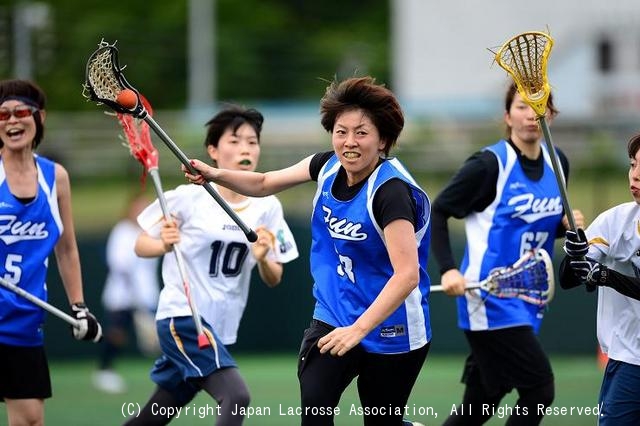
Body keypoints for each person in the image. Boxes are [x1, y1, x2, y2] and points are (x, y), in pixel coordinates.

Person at [185, 76, 432, 426]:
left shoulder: (390, 192)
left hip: (393, 323)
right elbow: (265, 182)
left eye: (361, 133)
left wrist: (358, 331)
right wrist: (214, 174)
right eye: (341, 131)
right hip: (334, 311)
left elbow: (406, 275)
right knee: (315, 408)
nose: (349, 142)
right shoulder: (327, 165)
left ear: (383, 140)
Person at [126, 105, 299, 426]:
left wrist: (262, 257)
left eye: (252, 141)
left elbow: (275, 276)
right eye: (235, 141)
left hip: (221, 326)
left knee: (154, 415)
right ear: (212, 151)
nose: (245, 148)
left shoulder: (268, 206)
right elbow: (140, 245)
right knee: (236, 396)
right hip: (184, 317)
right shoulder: (188, 198)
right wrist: (163, 242)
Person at [431, 81, 585, 425]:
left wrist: (565, 226)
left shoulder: (558, 163)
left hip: (529, 295)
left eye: (539, 106)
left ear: (551, 114)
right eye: (521, 106)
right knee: (539, 390)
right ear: (507, 116)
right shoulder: (488, 165)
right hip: (489, 295)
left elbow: (539, 228)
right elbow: (438, 211)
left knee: (483, 399)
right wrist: (448, 269)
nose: (531, 114)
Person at [0, 79, 102, 425]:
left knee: (29, 419)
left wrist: (79, 306)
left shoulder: (55, 178)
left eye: (20, 112)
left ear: (39, 117)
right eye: (3, 115)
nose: (12, 122)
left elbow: (67, 249)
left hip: (24, 320)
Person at [560, 132, 640, 425]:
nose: (635, 175)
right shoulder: (614, 221)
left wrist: (604, 275)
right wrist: (575, 254)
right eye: (633, 164)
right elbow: (569, 279)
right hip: (630, 360)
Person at [93, 190, 160, 394]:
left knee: (159, 339)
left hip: (147, 296)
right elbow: (120, 265)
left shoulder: (153, 232)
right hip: (121, 297)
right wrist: (135, 296)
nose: (141, 211)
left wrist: (143, 299)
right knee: (117, 334)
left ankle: (169, 378)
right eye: (138, 207)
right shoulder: (121, 231)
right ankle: (104, 371)